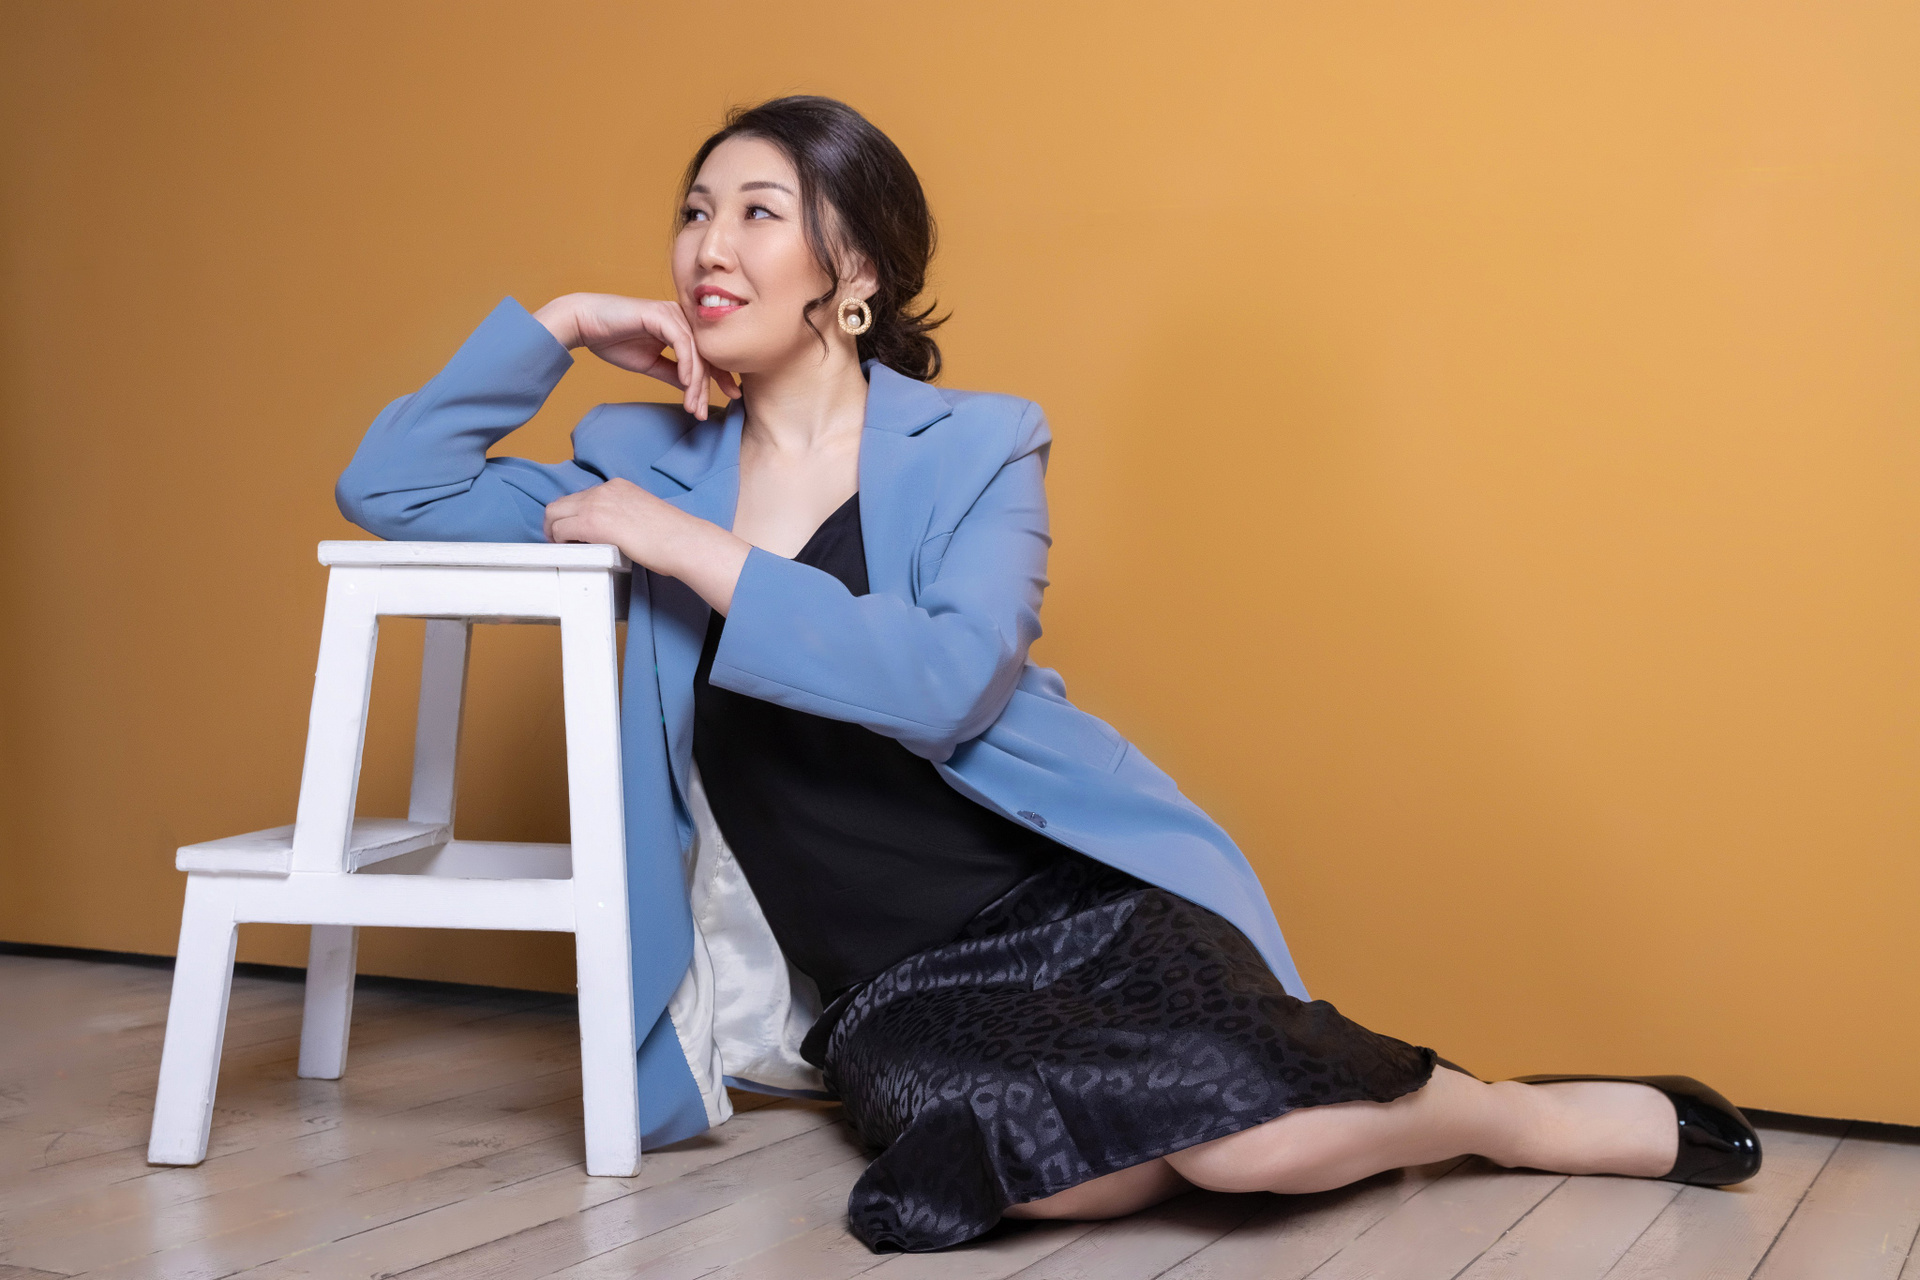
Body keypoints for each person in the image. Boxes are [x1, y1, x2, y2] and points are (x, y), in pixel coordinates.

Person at [334, 95, 1760, 1254]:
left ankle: (1513, 1118)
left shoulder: (978, 445)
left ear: (854, 273)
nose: (710, 243)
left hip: (1070, 908)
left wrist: (698, 559)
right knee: (1044, 1172)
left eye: (759, 213)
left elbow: (948, 683)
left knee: (1255, 1147)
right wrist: (563, 324)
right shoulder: (638, 465)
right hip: (893, 984)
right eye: (696, 210)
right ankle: (1277, 1103)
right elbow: (391, 488)